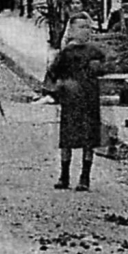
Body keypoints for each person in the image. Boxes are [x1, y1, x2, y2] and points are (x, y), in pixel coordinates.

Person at [43, 12, 106, 192]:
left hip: (90, 100)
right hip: (71, 102)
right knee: (67, 140)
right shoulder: (66, 53)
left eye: (87, 27)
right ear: (71, 30)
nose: (85, 31)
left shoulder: (95, 51)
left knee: (89, 140)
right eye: (81, 27)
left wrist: (99, 68)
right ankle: (64, 176)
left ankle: (85, 177)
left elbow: (109, 66)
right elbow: (52, 73)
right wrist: (60, 86)